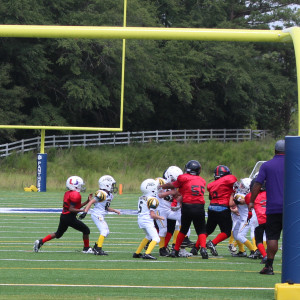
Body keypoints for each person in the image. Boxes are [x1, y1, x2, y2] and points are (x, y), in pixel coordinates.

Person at [249, 139, 285, 275]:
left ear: (275, 151)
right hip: (292, 208)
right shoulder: (294, 163)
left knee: (272, 237)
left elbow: (257, 184)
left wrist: (252, 200)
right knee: (294, 237)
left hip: (273, 207)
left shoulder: (267, 165)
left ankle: (269, 266)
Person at [160, 160, 208, 259]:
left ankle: (175, 250)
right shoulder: (202, 180)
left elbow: (173, 185)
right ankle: (203, 248)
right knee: (201, 229)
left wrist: (161, 186)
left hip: (187, 206)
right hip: (199, 206)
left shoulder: (183, 178)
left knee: (183, 229)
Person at [33, 176, 93, 253]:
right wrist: (82, 210)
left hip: (64, 216)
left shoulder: (68, 193)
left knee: (58, 234)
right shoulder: (76, 195)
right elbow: (71, 209)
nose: (81, 187)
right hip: (69, 217)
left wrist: (87, 201)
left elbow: (75, 207)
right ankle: (86, 248)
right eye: (80, 185)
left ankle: (40, 242)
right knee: (86, 230)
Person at [198, 165, 237, 256]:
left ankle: (196, 248)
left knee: (207, 230)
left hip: (211, 207)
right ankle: (213, 243)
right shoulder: (229, 178)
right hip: (222, 208)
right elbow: (235, 185)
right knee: (226, 232)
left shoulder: (211, 184)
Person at [81, 175, 120, 255]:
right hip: (97, 214)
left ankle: (96, 247)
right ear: (107, 185)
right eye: (112, 185)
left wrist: (114, 210)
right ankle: (98, 249)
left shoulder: (109, 195)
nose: (113, 187)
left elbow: (105, 207)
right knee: (104, 231)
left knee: (107, 231)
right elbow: (91, 202)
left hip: (100, 215)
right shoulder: (102, 194)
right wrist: (85, 212)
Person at [133, 178, 165, 260]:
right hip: (147, 221)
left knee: (148, 236)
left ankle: (137, 253)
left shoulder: (141, 197)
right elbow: (152, 215)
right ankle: (147, 253)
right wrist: (160, 217)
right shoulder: (152, 199)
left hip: (141, 220)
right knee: (156, 238)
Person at [230, 178, 256, 257]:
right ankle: (242, 251)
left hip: (246, 219)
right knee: (235, 233)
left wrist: (231, 195)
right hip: (242, 218)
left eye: (242, 185)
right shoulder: (246, 195)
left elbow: (231, 204)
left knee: (240, 236)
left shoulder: (240, 196)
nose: (240, 185)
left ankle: (254, 251)